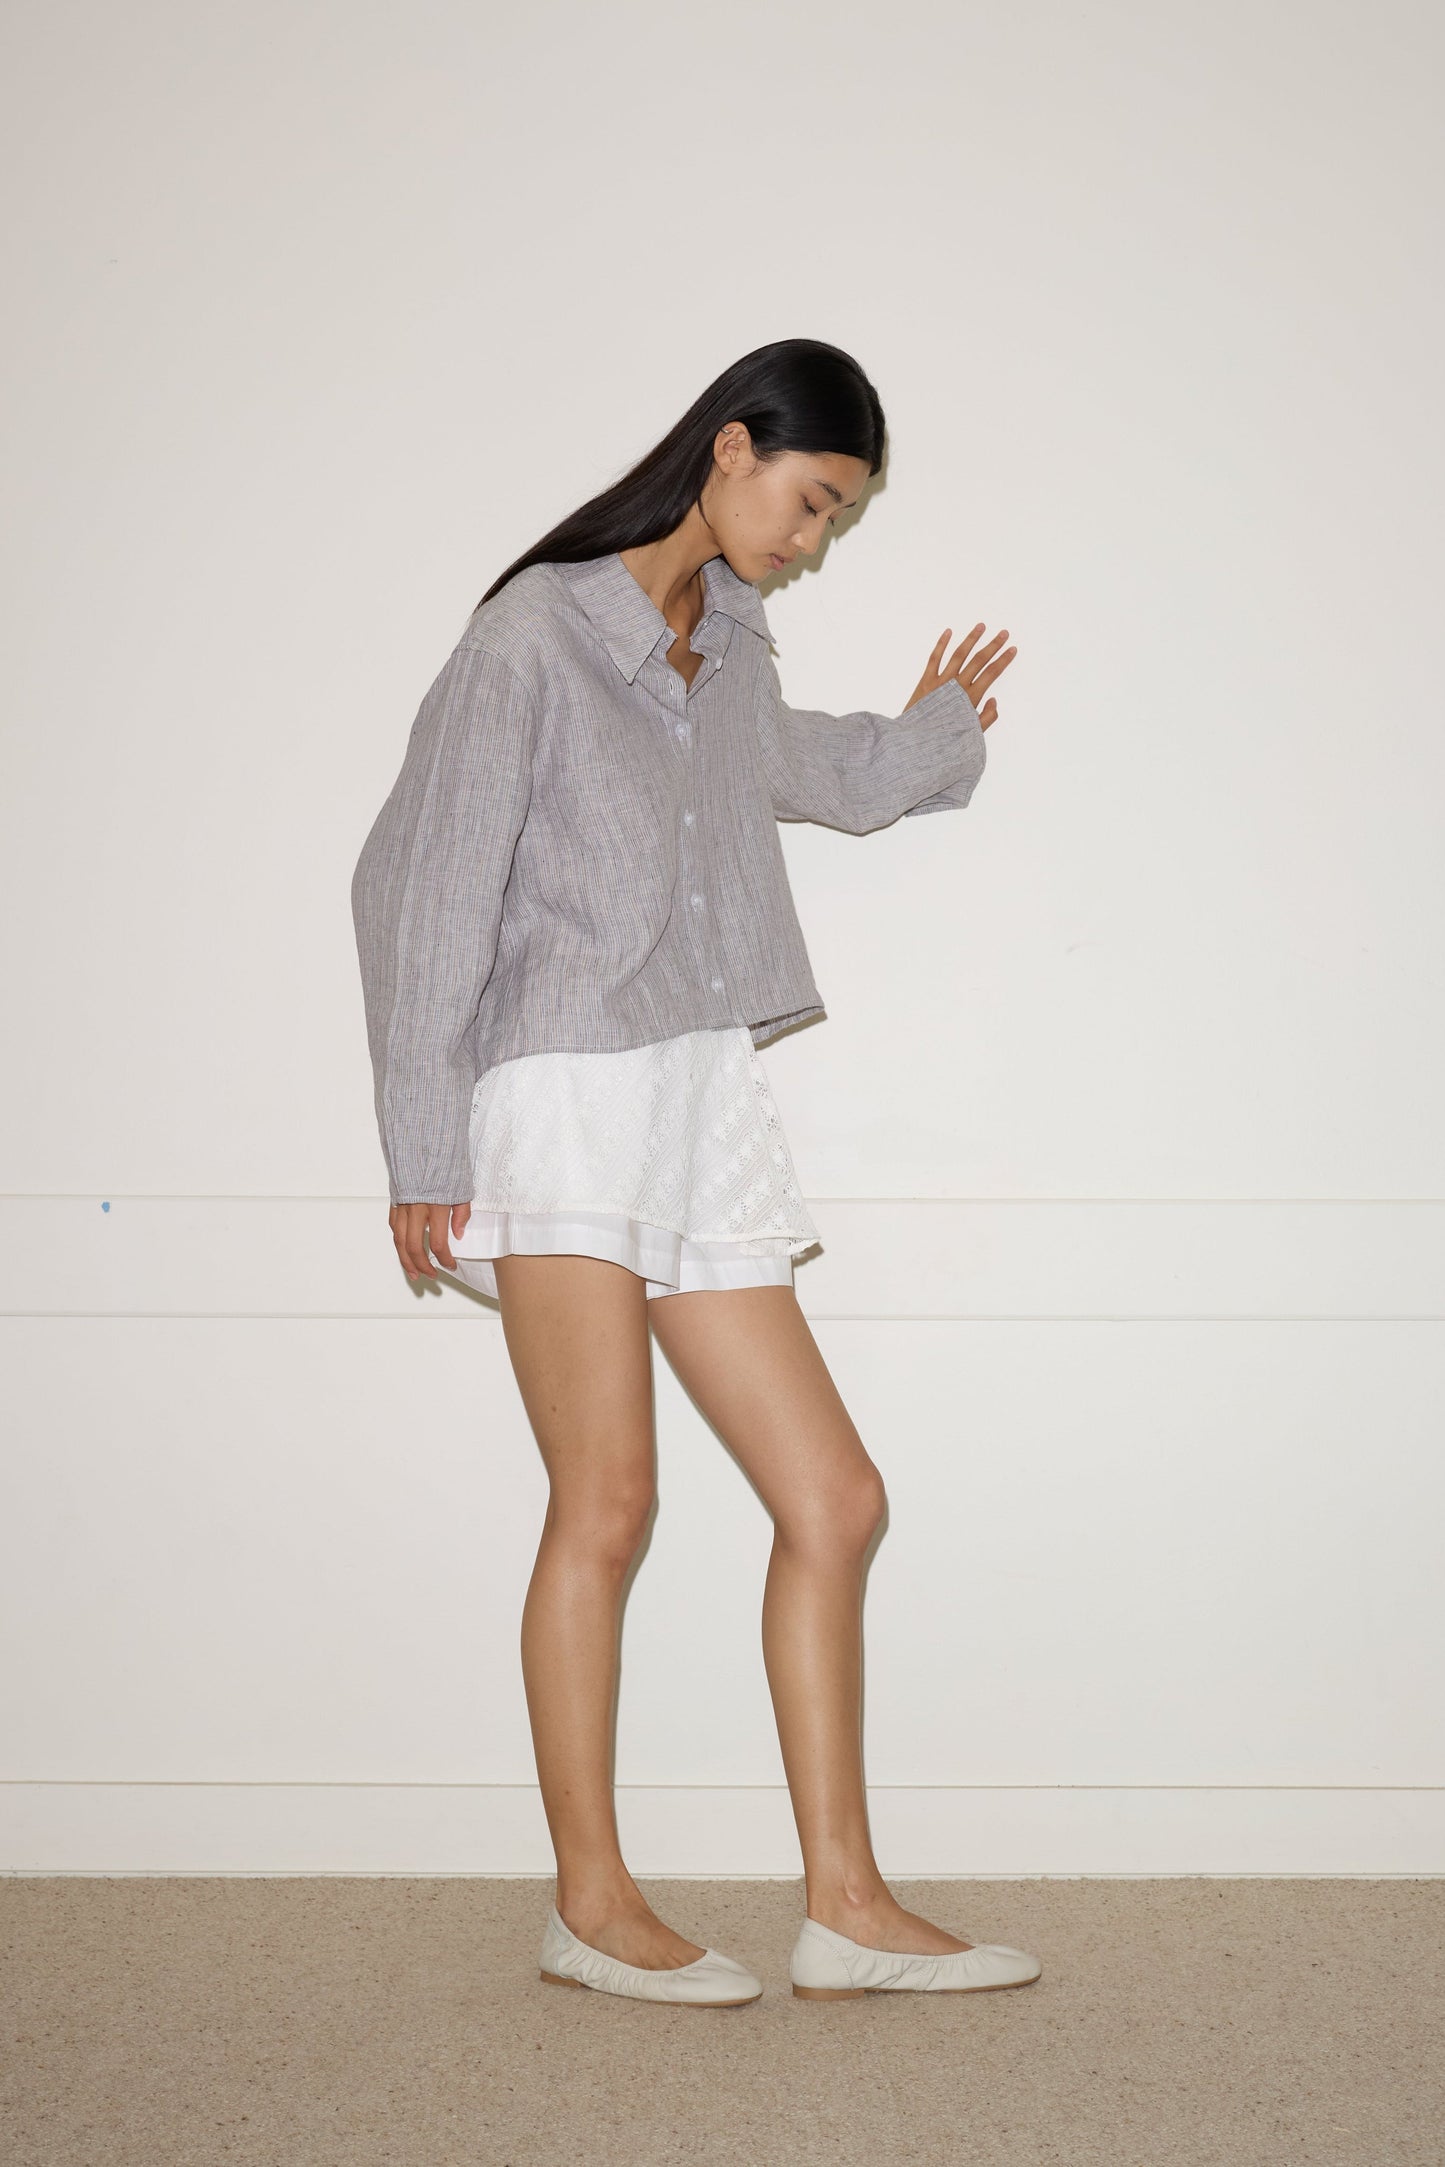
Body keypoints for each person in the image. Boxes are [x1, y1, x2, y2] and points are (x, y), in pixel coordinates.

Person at [350, 337, 1042, 2006]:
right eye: (810, 504)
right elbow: (416, 889)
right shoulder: (531, 640)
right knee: (609, 1501)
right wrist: (423, 1144)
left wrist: (939, 733)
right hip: (559, 1096)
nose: (811, 543)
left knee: (834, 1499)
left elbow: (822, 776)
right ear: (729, 452)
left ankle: (846, 1908)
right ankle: (590, 1904)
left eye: (838, 521)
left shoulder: (725, 655)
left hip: (692, 1086)